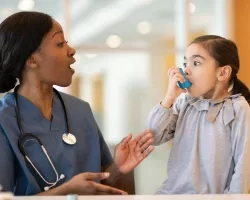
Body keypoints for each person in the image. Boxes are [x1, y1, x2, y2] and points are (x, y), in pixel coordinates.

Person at [0, 11, 154, 196]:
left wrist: (118, 168)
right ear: (31, 60)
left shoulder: (80, 110)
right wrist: (66, 192)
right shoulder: (4, 120)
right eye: (59, 44)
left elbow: (100, 183)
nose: (71, 50)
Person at [146, 35, 250, 194]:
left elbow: (244, 167)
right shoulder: (184, 103)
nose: (186, 69)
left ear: (223, 73)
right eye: (185, 63)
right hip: (171, 195)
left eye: (196, 63)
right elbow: (153, 136)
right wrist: (169, 98)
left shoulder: (238, 108)